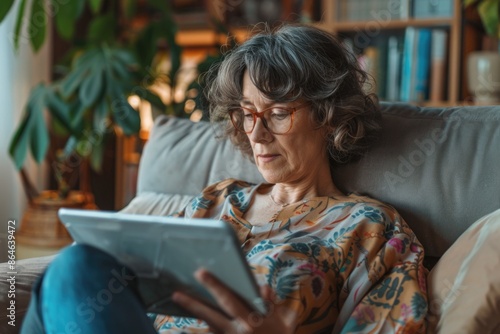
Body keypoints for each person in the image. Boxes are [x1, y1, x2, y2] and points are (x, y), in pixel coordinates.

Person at [21, 23, 428, 334]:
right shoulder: (215, 200)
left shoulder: (371, 227)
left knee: (74, 269)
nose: (256, 132)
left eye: (278, 113)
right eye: (247, 113)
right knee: (75, 268)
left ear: (329, 115)